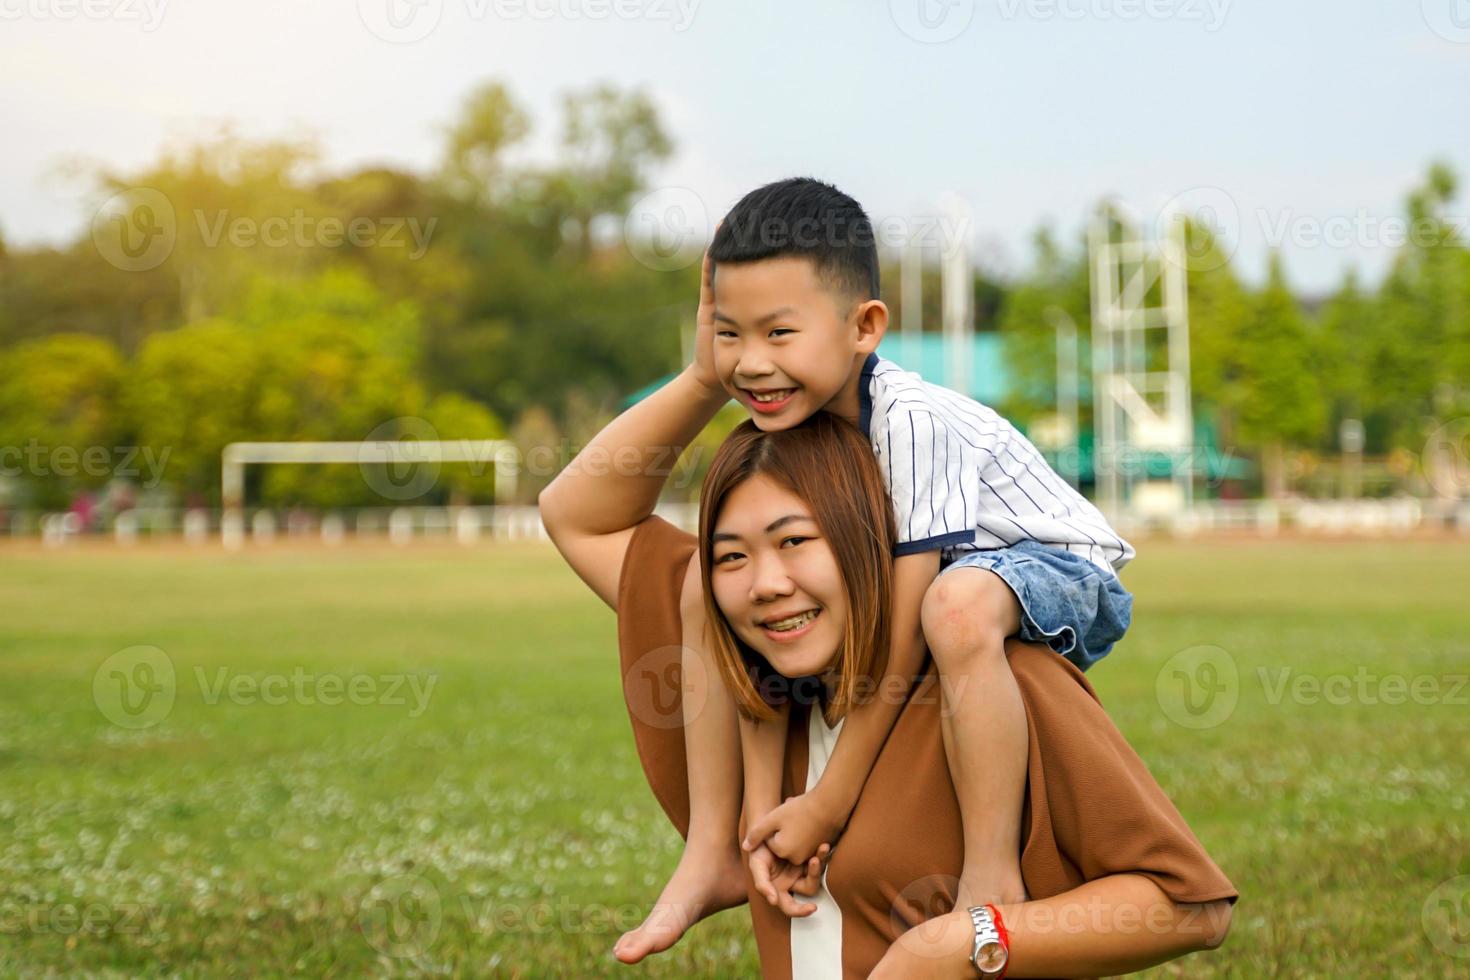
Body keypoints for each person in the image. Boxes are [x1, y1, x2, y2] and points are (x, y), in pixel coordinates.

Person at [548, 175, 1136, 962]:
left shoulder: (912, 420)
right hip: (957, 576)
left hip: (1061, 568)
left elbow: (905, 619)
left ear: (865, 327)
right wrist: (699, 378)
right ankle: (713, 848)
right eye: (729, 334)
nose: (751, 364)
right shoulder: (804, 422)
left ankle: (990, 871)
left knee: (955, 613)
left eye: (778, 334)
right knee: (701, 581)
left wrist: (829, 801)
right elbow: (575, 512)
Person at [540, 408, 1237, 977]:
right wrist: (710, 374)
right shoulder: (737, 685)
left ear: (873, 540)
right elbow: (576, 512)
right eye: (730, 556)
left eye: (796, 541)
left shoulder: (996, 684)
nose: (766, 584)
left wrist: (956, 947)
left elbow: (1190, 907)